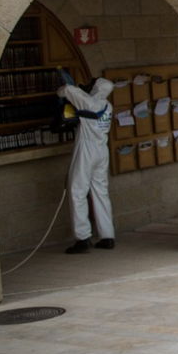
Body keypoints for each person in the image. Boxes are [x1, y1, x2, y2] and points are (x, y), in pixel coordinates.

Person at [58, 77, 117, 254]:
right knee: (101, 191)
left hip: (87, 149)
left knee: (77, 191)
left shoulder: (89, 102)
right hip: (101, 149)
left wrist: (72, 87)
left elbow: (66, 89)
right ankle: (107, 235)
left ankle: (82, 237)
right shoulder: (108, 105)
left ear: (96, 88)